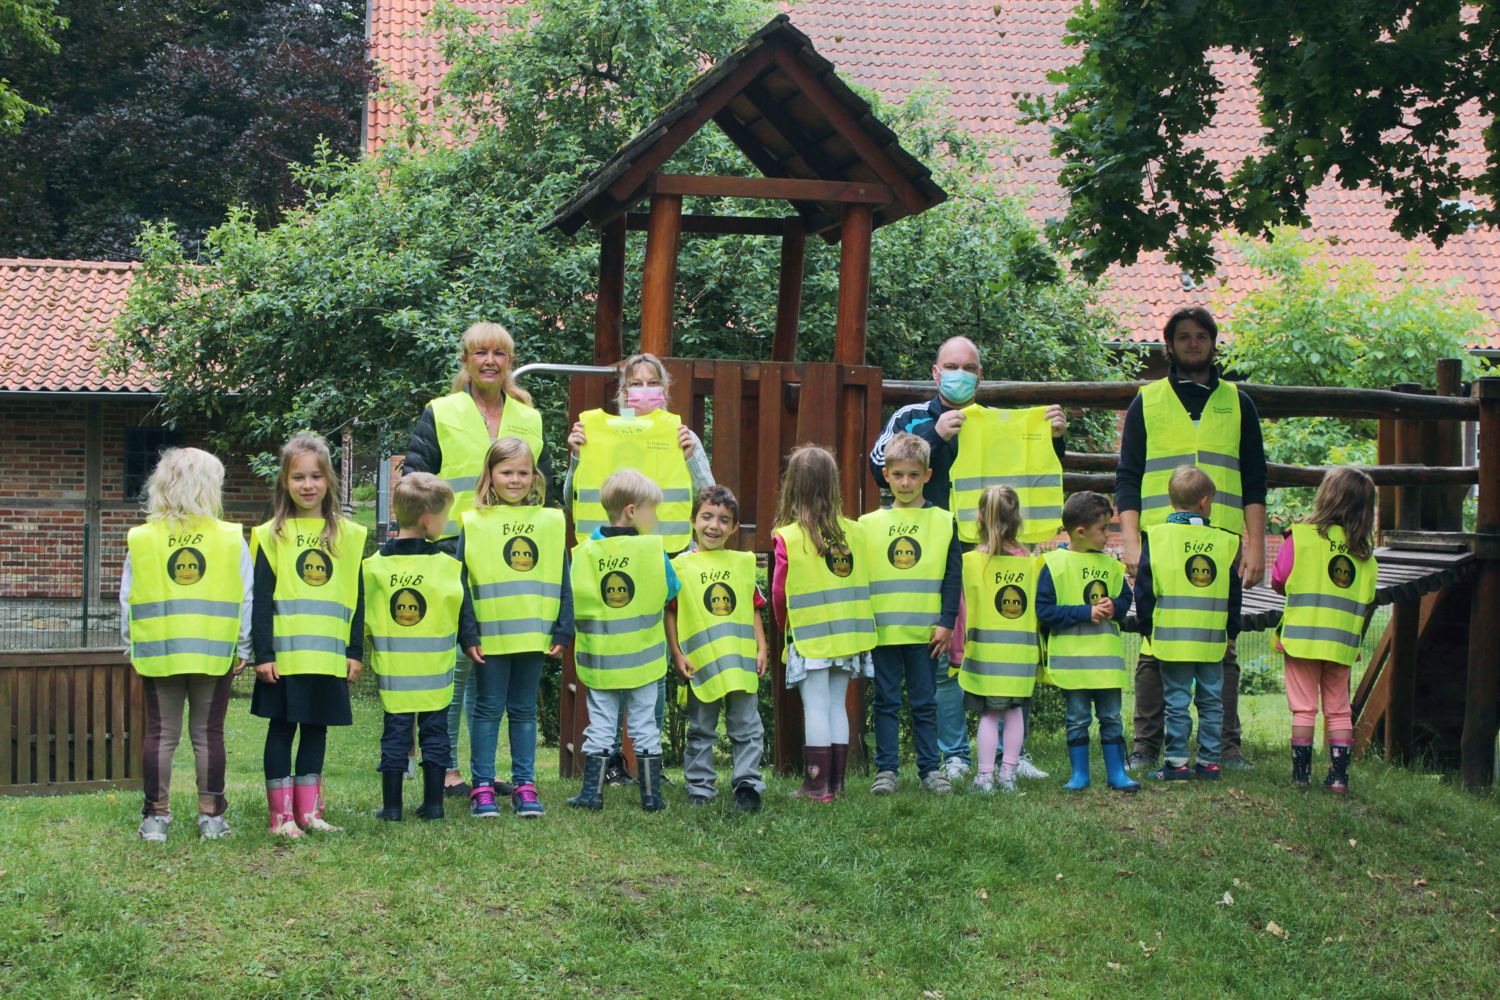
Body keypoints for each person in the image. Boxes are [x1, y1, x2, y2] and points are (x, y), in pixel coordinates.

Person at [868, 336, 1064, 783]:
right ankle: (955, 754)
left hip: (997, 553)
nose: (959, 373)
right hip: (935, 553)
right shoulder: (911, 416)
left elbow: (1039, 472)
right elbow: (878, 461)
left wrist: (1056, 436)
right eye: (951, 365)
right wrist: (933, 436)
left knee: (1008, 647)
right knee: (945, 658)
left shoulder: (1003, 421)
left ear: (981, 375)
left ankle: (1015, 752)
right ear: (935, 373)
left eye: (969, 367)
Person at [1117, 307, 1267, 773]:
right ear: (1170, 345)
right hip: (1160, 546)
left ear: (1213, 343)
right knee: (1153, 641)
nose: (1193, 343)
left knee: (1220, 639)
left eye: (1202, 336)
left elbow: (1256, 478)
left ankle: (1225, 746)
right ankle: (1146, 744)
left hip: (1220, 544)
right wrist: (1130, 542)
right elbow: (1128, 476)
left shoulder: (1238, 402)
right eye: (1184, 336)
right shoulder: (1148, 400)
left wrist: (1256, 544)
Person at [403, 321, 549, 799]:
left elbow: (538, 485)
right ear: (465, 360)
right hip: (450, 550)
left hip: (509, 561)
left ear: (510, 362)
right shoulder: (440, 412)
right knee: (455, 664)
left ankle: (482, 772)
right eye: (479, 352)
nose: (490, 361)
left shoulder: (530, 416)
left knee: (484, 662)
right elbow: (415, 479)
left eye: (500, 354)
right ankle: (443, 767)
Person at [566, 352, 711, 786]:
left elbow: (706, 493)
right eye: (635, 383)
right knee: (607, 657)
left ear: (665, 391)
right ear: (622, 392)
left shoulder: (680, 435)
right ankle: (610, 762)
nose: (643, 390)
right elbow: (572, 493)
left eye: (652, 382)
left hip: (658, 559)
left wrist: (692, 454)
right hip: (605, 561)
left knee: (653, 662)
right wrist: (575, 456)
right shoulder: (592, 432)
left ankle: (650, 764)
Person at [120, 447, 252, 841]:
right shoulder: (231, 538)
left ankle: (155, 819)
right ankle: (211, 818)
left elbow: (128, 596)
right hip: (214, 652)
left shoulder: (143, 539)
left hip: (159, 651)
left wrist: (133, 646)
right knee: (208, 734)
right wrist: (243, 646)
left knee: (160, 734)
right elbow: (245, 596)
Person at [250, 435, 367, 837]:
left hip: (328, 657)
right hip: (284, 658)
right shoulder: (270, 535)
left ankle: (310, 814)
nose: (307, 485)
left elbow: (356, 595)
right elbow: (261, 600)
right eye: (298, 476)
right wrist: (263, 653)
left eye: (316, 476)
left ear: (329, 480)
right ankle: (280, 818)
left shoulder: (348, 536)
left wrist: (354, 651)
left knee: (317, 729)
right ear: (284, 482)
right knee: (281, 729)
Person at [457, 437, 573, 819]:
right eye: (506, 472)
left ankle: (525, 785)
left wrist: (563, 629)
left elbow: (562, 578)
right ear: (489, 476)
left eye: (523, 472)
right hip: (488, 638)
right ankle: (483, 787)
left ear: (535, 476)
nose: (515, 479)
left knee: (524, 711)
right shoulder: (473, 522)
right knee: (488, 709)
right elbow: (461, 582)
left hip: (533, 636)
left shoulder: (550, 521)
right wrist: (468, 633)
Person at [364, 473, 482, 822]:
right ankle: (433, 806)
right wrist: (471, 642)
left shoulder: (373, 567)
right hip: (436, 675)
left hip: (395, 676)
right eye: (446, 515)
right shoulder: (448, 566)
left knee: (395, 736)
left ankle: (392, 808)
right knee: (436, 735)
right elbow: (465, 611)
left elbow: (361, 618)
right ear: (429, 520)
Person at [567, 469, 679, 812]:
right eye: (653, 510)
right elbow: (671, 589)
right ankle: (651, 796)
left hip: (601, 661)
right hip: (644, 661)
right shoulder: (651, 551)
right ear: (632, 510)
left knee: (600, 725)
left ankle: (591, 795)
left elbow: (575, 598)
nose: (656, 518)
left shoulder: (585, 552)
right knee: (645, 725)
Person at [772, 445, 877, 803]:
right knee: (836, 705)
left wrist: (785, 626)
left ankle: (817, 787)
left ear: (793, 486)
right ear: (834, 484)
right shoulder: (857, 533)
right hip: (849, 635)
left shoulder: (789, 536)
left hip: (810, 635)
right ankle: (837, 784)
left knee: (814, 706)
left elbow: (779, 593)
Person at [859, 433, 960, 796]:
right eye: (898, 474)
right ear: (885, 474)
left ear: (928, 476)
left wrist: (947, 622)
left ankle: (930, 769)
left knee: (924, 703)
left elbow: (952, 577)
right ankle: (886, 770)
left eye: (913, 475)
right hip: (883, 631)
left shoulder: (945, 521)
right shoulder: (866, 524)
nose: (905, 482)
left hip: (926, 633)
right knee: (884, 702)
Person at [1271, 467, 1378, 793]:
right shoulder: (1365, 554)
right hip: (1341, 643)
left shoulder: (1301, 536)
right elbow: (1370, 596)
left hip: (1303, 637)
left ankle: (1301, 776)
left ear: (1326, 497)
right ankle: (1338, 778)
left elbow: (1279, 578)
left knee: (1304, 707)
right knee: (1338, 710)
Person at [1134, 466, 1243, 782]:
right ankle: (1210, 763)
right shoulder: (1225, 541)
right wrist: (1231, 633)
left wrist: (1147, 630)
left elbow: (1144, 590)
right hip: (1211, 641)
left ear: (1171, 502)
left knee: (1177, 702)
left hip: (1172, 639)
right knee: (1211, 703)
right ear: (1205, 502)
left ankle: (1177, 764)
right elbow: (1233, 595)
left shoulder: (1155, 537)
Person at [666, 485, 769, 812]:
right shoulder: (680, 566)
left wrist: (761, 648)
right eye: (707, 517)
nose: (714, 526)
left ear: (735, 527)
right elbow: (671, 611)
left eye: (724, 520)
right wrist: (677, 653)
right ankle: (700, 786)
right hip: (701, 663)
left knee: (747, 726)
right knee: (701, 727)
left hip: (739, 661)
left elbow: (753, 608)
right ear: (693, 520)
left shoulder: (741, 564)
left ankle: (748, 785)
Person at [1038, 491, 1138, 793]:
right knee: (1078, 719)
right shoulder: (1053, 565)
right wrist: (1085, 612)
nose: (1109, 535)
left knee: (1111, 718)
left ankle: (1117, 773)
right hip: (1073, 665)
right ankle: (1079, 775)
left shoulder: (1111, 566)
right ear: (1080, 532)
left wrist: (1115, 607)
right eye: (1104, 529)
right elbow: (1045, 611)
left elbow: (1125, 597)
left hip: (1106, 665)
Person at [958, 485, 1041, 793]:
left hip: (984, 657)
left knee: (990, 715)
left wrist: (957, 653)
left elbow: (962, 613)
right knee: (1015, 712)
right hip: (1020, 657)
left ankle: (984, 777)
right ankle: (1008, 775)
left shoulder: (970, 562)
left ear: (979, 517)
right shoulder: (1031, 563)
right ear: (1017, 519)